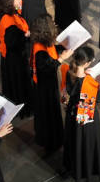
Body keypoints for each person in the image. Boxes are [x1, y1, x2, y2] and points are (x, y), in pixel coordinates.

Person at [30, 14, 73, 154]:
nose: (54, 25)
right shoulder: (40, 51)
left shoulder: (44, 42)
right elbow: (47, 68)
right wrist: (61, 59)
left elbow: (52, 52)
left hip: (48, 84)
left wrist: (62, 49)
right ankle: (51, 140)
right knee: (49, 114)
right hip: (45, 89)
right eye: (52, 24)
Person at [62, 45, 100, 182]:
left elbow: (68, 92)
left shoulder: (68, 71)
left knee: (74, 140)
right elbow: (99, 99)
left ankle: (73, 166)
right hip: (85, 118)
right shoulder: (89, 82)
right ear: (87, 63)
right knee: (86, 142)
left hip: (71, 114)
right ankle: (86, 169)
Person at [0, 0, 32, 116]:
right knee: (19, 85)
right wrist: (26, 35)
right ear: (10, 2)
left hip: (14, 57)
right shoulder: (9, 22)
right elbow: (13, 43)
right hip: (15, 60)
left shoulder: (8, 13)